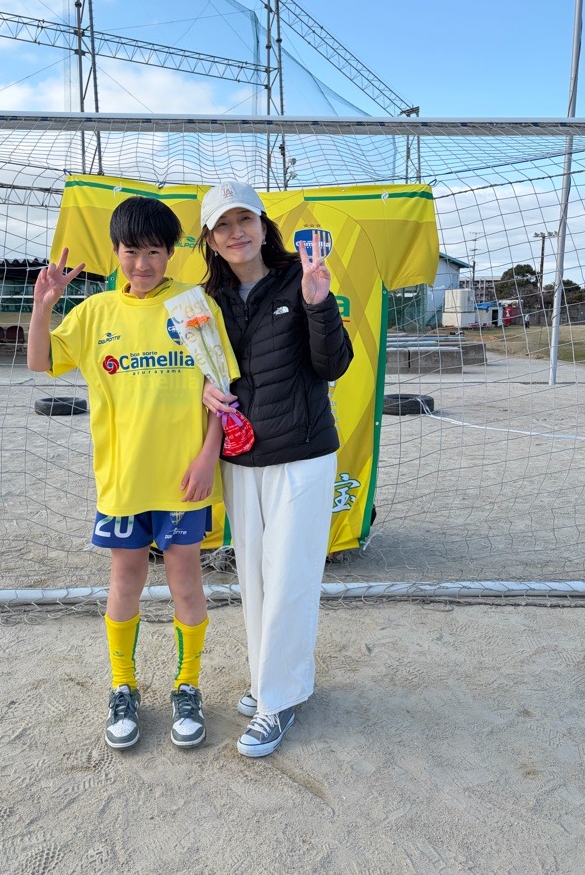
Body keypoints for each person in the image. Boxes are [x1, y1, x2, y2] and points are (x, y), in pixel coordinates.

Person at [28, 196, 238, 751]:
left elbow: (221, 390)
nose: (141, 264)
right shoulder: (95, 312)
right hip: (123, 481)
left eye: (153, 252)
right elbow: (39, 361)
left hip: (184, 479)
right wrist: (44, 306)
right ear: (115, 253)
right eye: (130, 252)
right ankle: (123, 685)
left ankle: (187, 685)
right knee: (125, 580)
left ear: (171, 253)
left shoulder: (194, 306)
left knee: (186, 580)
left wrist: (207, 456)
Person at [199, 181, 353, 758]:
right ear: (210, 239)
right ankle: (270, 678)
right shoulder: (206, 300)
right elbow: (205, 373)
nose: (236, 232)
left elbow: (333, 365)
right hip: (242, 457)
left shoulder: (299, 278)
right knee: (255, 578)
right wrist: (203, 391)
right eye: (223, 224)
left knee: (290, 577)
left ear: (264, 225)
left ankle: (278, 700)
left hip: (302, 454)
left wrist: (318, 302)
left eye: (245, 219)